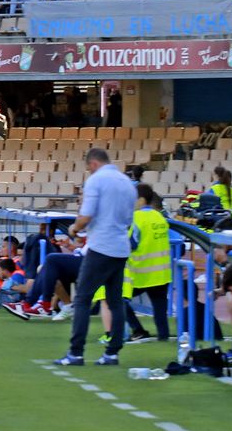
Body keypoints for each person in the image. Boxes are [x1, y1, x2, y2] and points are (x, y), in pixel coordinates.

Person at [55, 148, 136, 367]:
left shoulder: (96, 180)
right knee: (115, 301)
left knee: (82, 298)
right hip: (120, 247)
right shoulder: (127, 183)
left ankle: (76, 352)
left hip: (101, 246)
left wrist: (74, 228)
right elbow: (129, 219)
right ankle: (112, 352)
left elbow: (86, 215)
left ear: (93, 164)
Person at [124, 183, 171, 344]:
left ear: (141, 200)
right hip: (162, 273)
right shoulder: (160, 217)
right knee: (160, 310)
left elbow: (130, 243)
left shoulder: (136, 218)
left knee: (115, 298)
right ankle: (163, 337)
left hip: (141, 273)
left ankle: (138, 330)